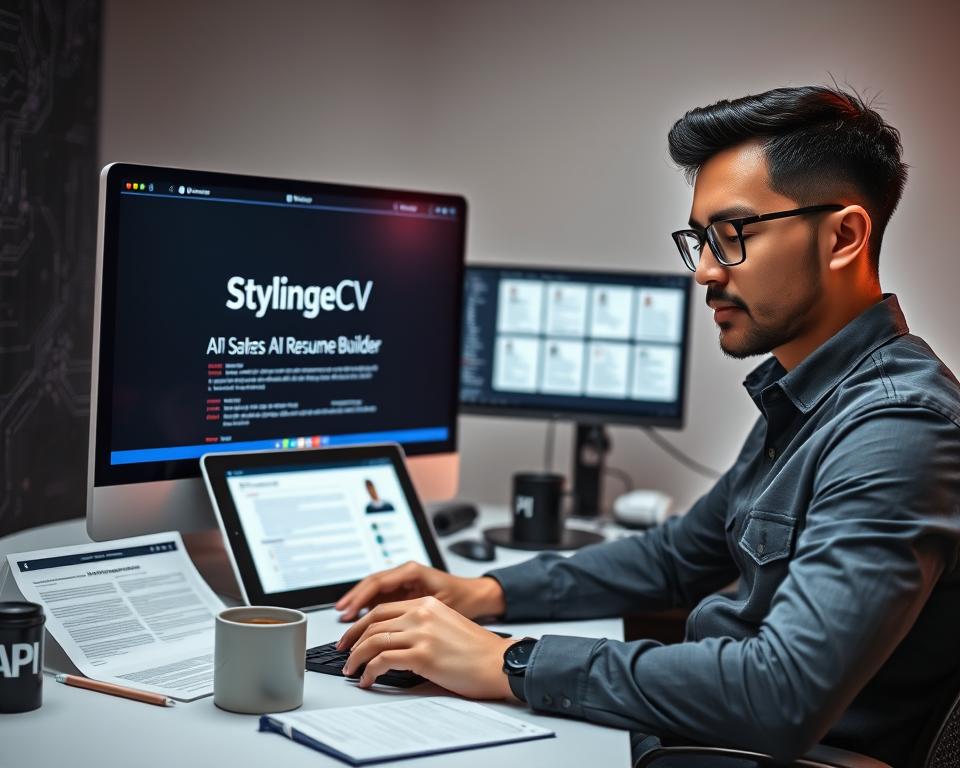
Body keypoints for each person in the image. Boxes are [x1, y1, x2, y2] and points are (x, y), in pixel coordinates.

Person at [334, 85, 960, 766]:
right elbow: (675, 557)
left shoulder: (899, 427)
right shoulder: (808, 395)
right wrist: (484, 592)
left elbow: (780, 694)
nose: (706, 272)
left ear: (843, 236)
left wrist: (512, 663)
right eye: (700, 240)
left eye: (733, 236)